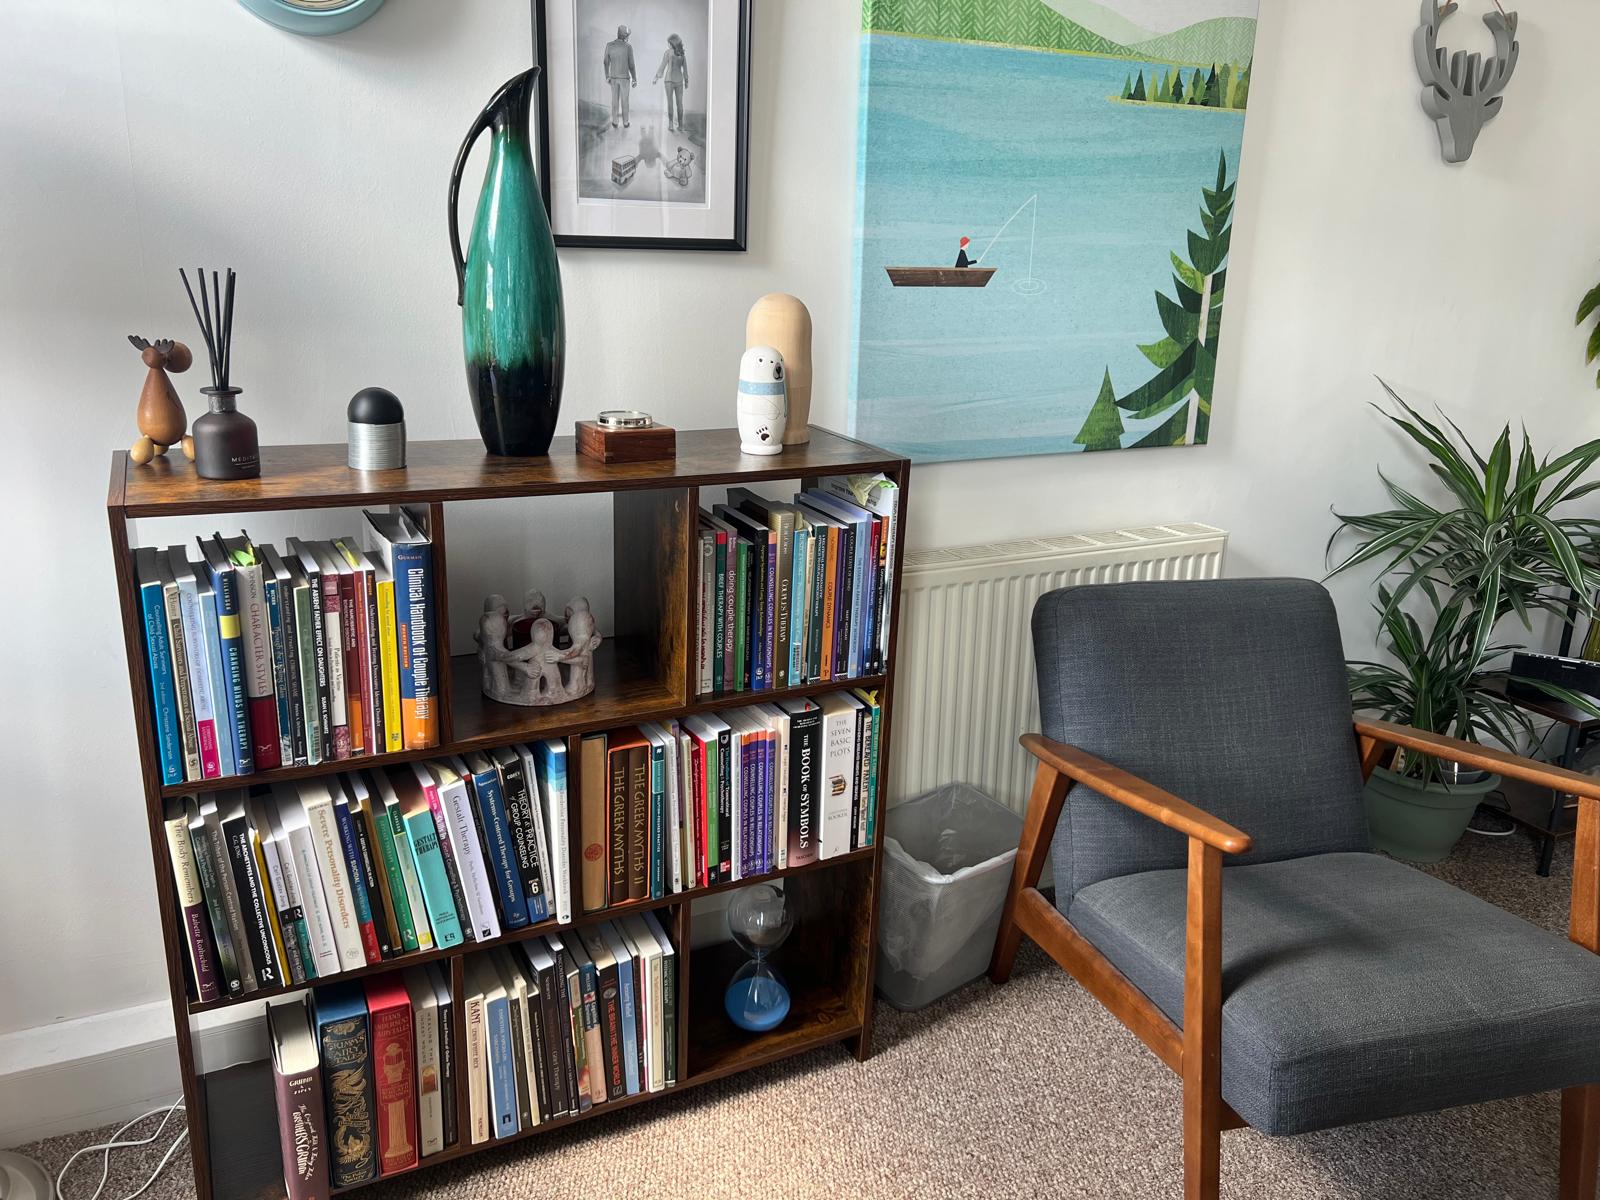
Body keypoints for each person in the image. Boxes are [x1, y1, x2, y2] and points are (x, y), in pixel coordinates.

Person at [652, 33, 690, 132]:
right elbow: (685, 69)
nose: (668, 44)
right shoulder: (682, 54)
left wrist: (656, 77)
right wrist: (686, 80)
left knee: (670, 102)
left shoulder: (668, 52)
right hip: (679, 81)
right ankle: (681, 125)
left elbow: (663, 65)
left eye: (668, 42)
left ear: (672, 43)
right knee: (679, 103)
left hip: (668, 80)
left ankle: (670, 124)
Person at [603, 24, 636, 130]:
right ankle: (625, 122)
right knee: (625, 101)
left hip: (613, 78)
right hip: (625, 78)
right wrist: (634, 78)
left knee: (614, 100)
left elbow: (605, 62)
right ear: (625, 36)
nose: (628, 37)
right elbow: (631, 65)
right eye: (627, 35)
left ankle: (615, 122)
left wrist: (607, 76)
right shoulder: (628, 47)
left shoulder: (609, 45)